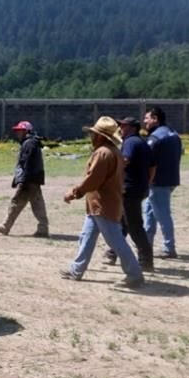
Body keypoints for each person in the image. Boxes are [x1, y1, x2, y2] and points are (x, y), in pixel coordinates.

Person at [60, 117, 144, 289]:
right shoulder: (113, 151)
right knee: (86, 237)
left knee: (116, 241)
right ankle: (77, 269)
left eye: (94, 133)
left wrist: (74, 192)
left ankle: (134, 275)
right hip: (98, 204)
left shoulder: (103, 153)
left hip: (102, 205)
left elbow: (93, 180)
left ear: (101, 136)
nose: (91, 136)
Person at [103, 118, 154, 271]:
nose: (120, 127)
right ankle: (114, 252)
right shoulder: (142, 141)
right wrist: (147, 184)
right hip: (138, 188)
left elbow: (125, 160)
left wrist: (109, 170)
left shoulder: (130, 142)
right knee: (124, 223)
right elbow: (153, 166)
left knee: (134, 225)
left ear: (132, 127)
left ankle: (146, 260)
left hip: (130, 189)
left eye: (123, 125)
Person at [0, 121, 48, 237]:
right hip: (34, 178)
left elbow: (27, 163)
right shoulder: (32, 142)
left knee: (16, 202)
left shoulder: (29, 143)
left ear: (26, 131)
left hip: (28, 179)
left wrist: (23, 180)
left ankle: (5, 226)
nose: (17, 133)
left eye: (20, 131)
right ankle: (43, 228)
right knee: (37, 204)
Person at [143, 106, 182, 259]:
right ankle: (146, 245)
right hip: (171, 179)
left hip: (158, 181)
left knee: (162, 215)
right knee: (149, 212)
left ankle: (169, 248)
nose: (145, 121)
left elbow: (147, 159)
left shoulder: (156, 138)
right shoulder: (173, 134)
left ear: (155, 119)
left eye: (147, 118)